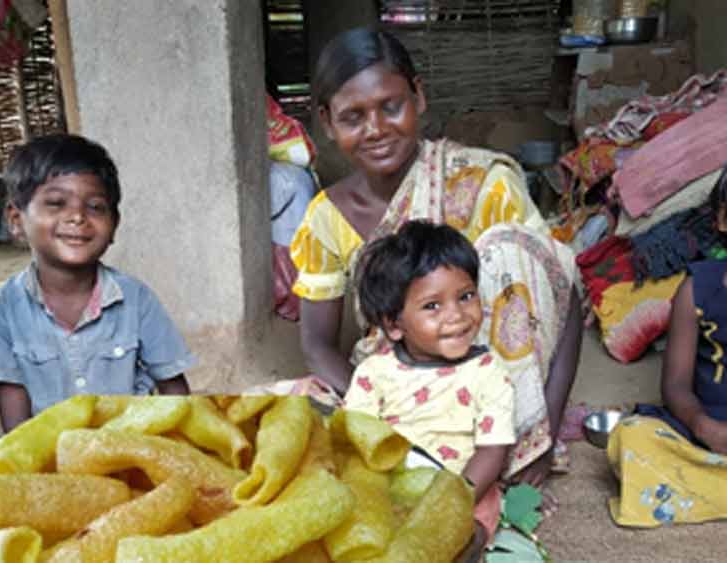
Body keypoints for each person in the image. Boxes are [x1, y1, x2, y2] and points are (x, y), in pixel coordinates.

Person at [288, 26, 582, 485]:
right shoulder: (326, 217)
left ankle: (513, 447)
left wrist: (546, 426)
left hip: (487, 383)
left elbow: (564, 295)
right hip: (396, 381)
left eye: (391, 107)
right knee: (282, 413)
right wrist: (380, 412)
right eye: (353, 117)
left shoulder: (483, 183)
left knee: (508, 247)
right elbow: (317, 345)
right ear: (327, 123)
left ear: (418, 97)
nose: (376, 130)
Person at [0, 134, 194, 432]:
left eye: (95, 207)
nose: (77, 217)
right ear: (16, 220)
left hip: (129, 446)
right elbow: (16, 423)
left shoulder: (136, 299)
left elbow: (174, 390)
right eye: (56, 203)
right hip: (48, 454)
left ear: (114, 224)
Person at [343, 220, 515, 538]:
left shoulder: (488, 372)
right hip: (390, 487)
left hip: (462, 488)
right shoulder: (374, 374)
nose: (456, 315)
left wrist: (451, 503)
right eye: (432, 306)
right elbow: (358, 442)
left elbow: (492, 451)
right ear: (394, 325)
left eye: (466, 296)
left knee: (483, 513)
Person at [606, 165, 727, 527]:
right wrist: (702, 426)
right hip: (704, 436)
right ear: (723, 220)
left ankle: (703, 493)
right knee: (631, 438)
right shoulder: (696, 290)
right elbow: (675, 385)